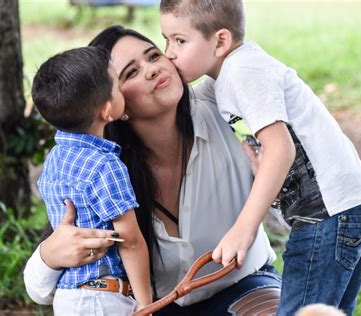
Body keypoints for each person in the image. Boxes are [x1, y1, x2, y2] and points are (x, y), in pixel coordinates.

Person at [24, 25, 281, 315]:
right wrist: (49, 256)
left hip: (240, 287)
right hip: (152, 306)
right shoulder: (99, 169)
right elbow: (39, 292)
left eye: (154, 56)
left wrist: (274, 189)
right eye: (131, 73)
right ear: (109, 106)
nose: (152, 70)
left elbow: (299, 214)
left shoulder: (224, 113)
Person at [159, 1, 361, 315]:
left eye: (180, 41)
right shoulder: (221, 77)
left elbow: (281, 149)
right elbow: (188, 104)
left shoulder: (243, 72)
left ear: (220, 41)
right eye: (165, 40)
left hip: (329, 214)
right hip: (350, 205)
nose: (168, 52)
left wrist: (244, 228)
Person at [31, 46, 152, 314]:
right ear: (107, 111)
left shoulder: (54, 159)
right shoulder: (105, 165)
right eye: (118, 88)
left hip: (68, 296)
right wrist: (146, 303)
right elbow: (129, 240)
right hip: (102, 299)